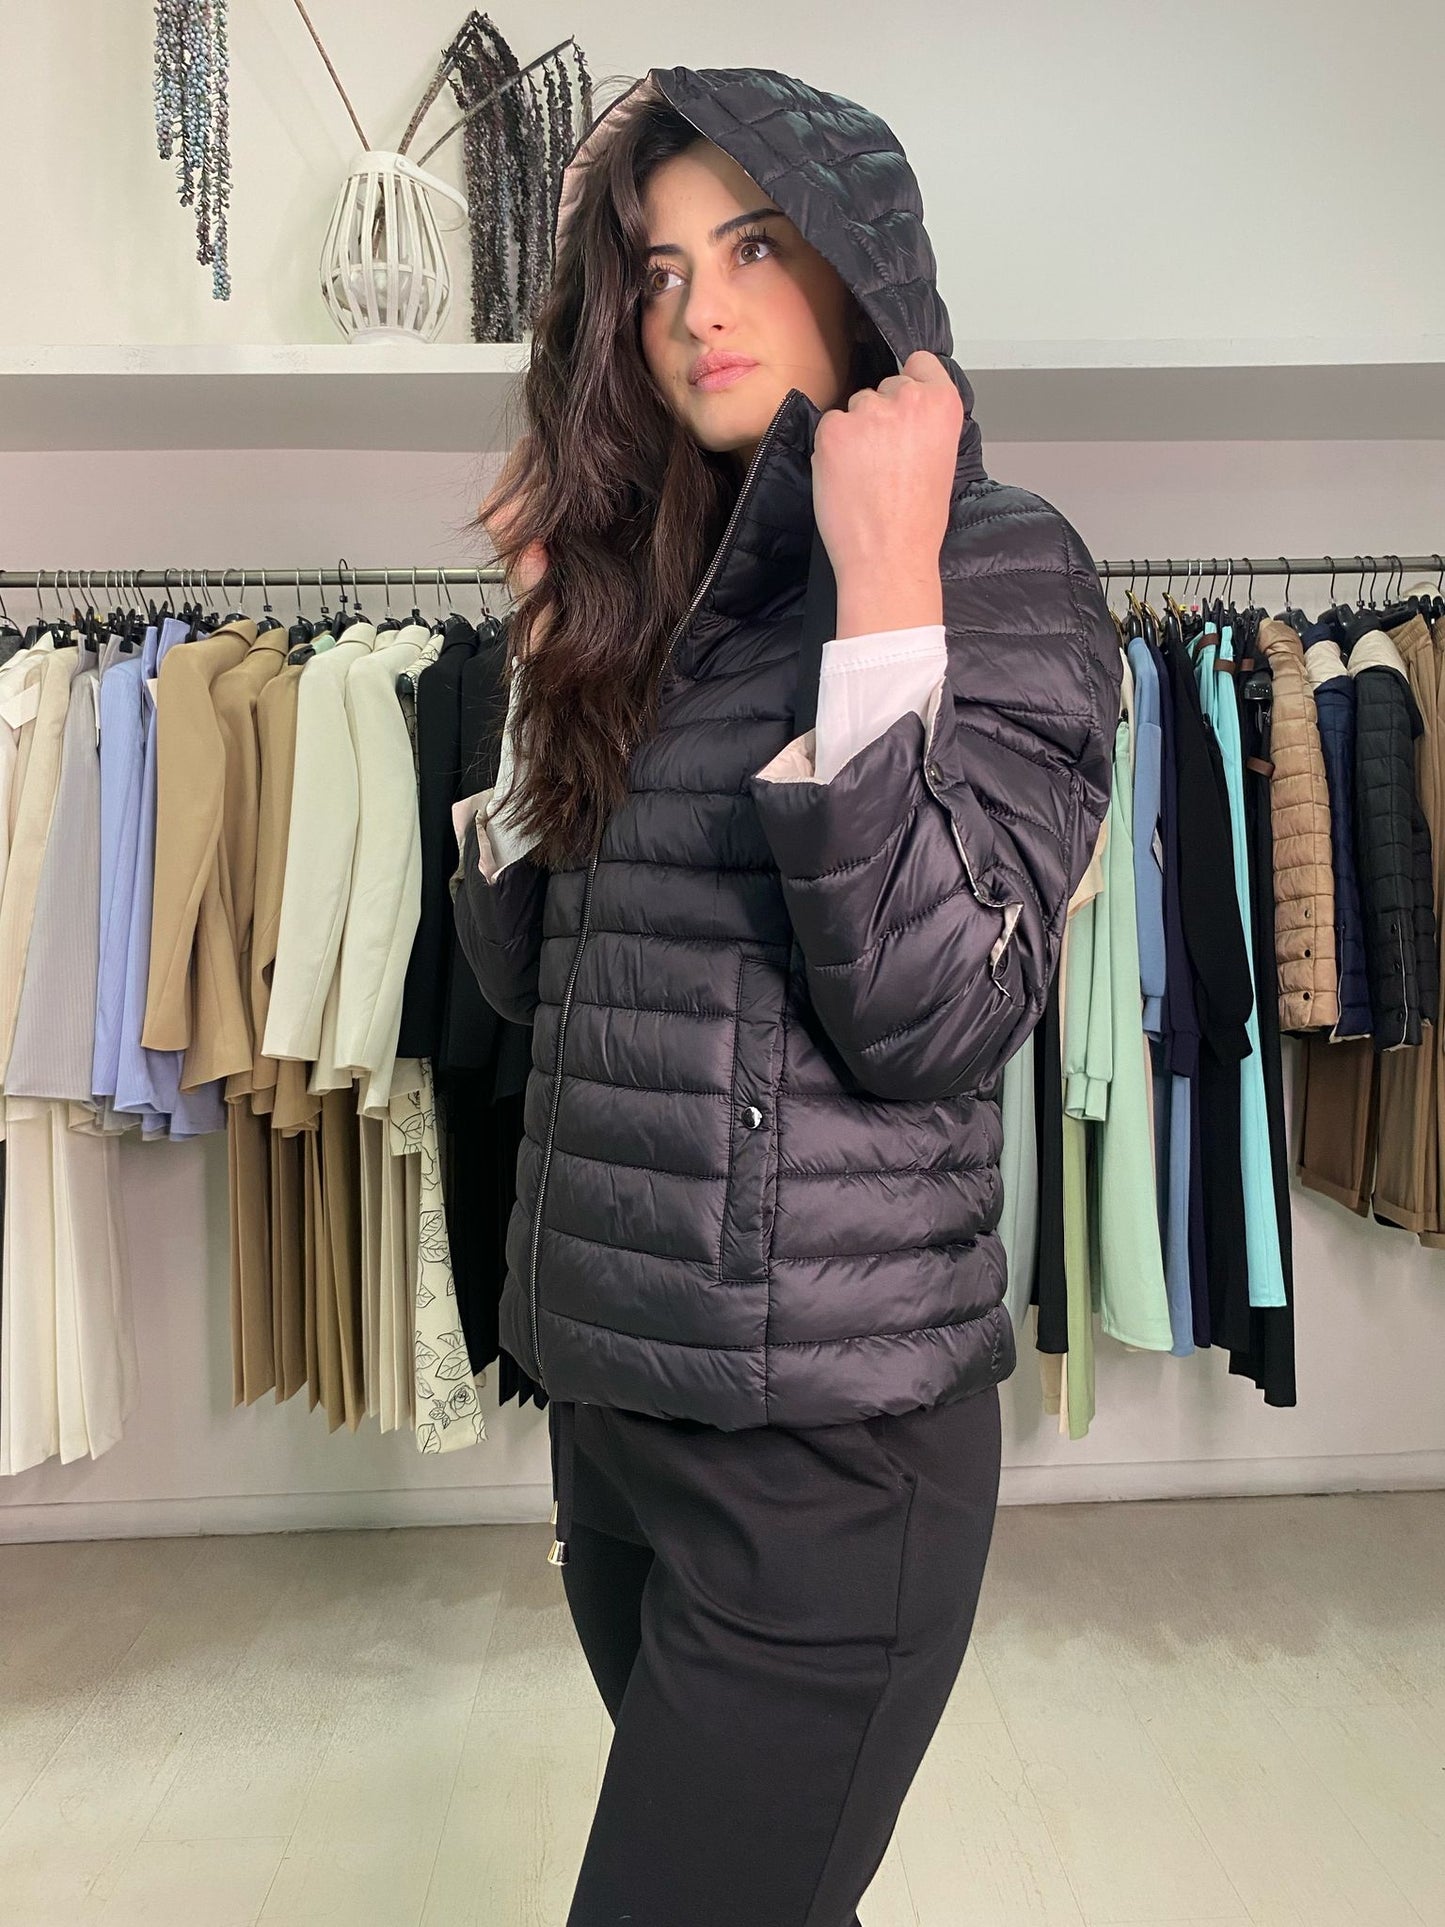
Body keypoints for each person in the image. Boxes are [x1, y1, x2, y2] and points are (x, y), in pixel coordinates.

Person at [452, 63, 1121, 1927]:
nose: (699, 310)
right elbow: (538, 1002)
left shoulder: (1000, 567)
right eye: (660, 273)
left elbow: (931, 1012)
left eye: (751, 247)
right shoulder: (654, 590)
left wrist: (885, 580)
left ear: (856, 266)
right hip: (621, 1421)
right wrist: (539, 686)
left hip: (826, 1461)